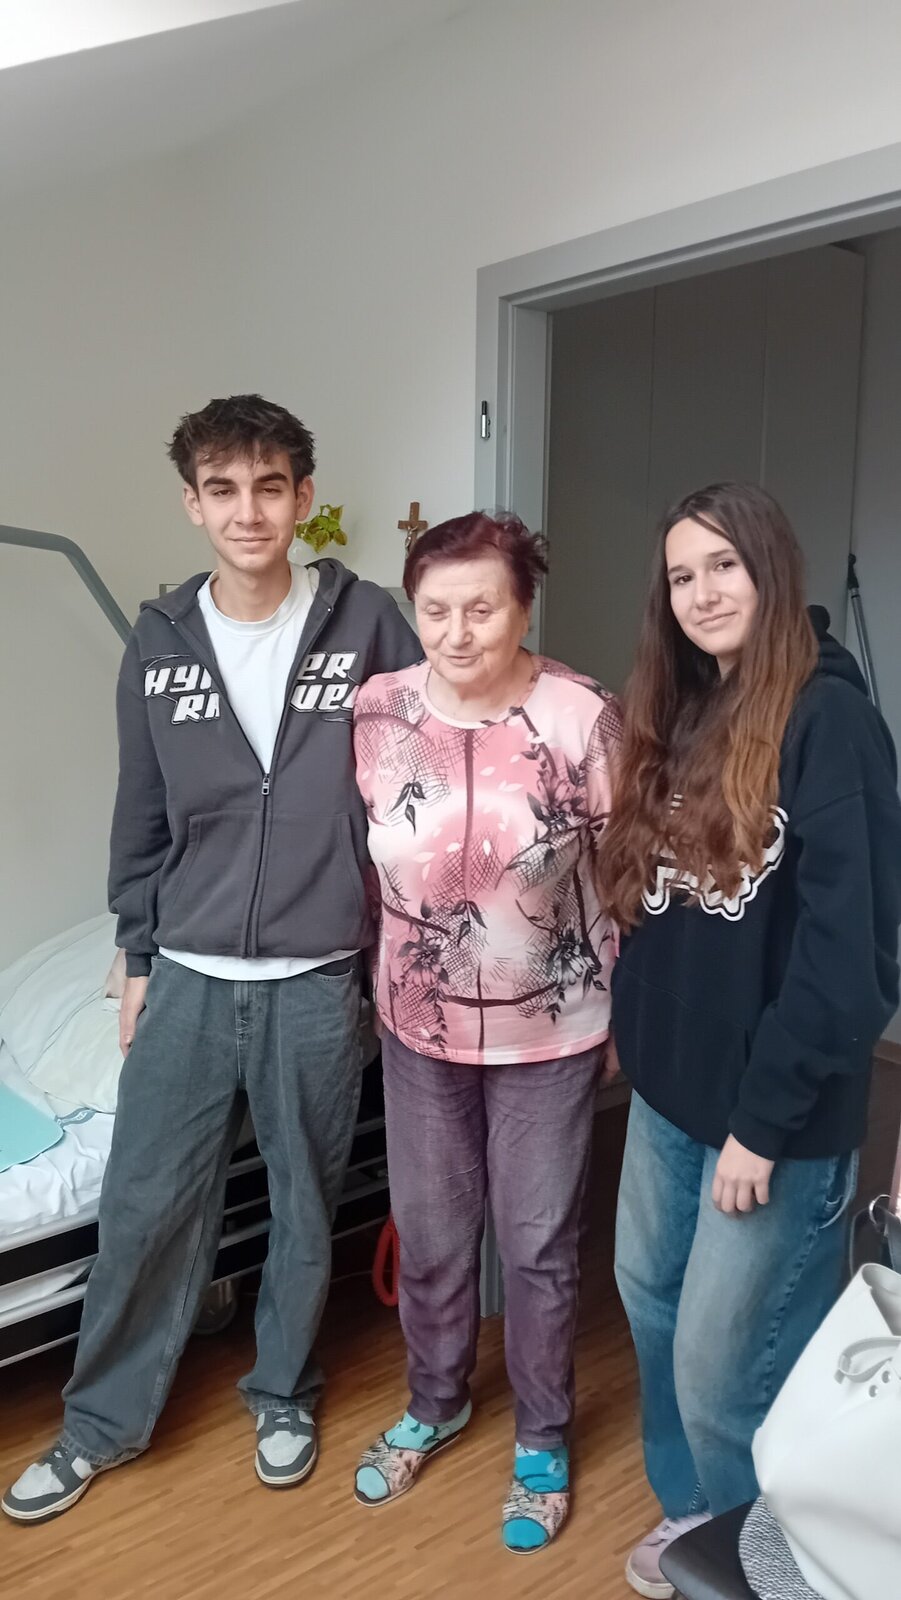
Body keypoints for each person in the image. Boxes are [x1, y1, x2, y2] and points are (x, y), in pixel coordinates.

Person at [2, 393, 422, 1524]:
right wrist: (135, 949)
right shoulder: (160, 639)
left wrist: (394, 943)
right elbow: (140, 811)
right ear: (193, 504)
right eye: (223, 490)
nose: (248, 512)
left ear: (302, 499)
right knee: (143, 1205)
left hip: (318, 978)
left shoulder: (368, 623)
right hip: (188, 973)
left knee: (303, 1204)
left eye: (270, 487)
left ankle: (283, 1391)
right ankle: (99, 1423)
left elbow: (416, 783)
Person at [596, 482, 901, 1599]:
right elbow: (666, 912)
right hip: (669, 1097)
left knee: (726, 1362)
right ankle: (697, 1518)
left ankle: (766, 1560)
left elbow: (848, 962)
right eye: (682, 575)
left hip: (768, 1121)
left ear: (771, 569)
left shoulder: (829, 724)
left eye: (723, 565)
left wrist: (760, 1126)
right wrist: (634, 1034)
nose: (702, 593)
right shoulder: (686, 706)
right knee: (649, 1301)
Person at [351, 510, 623, 1554]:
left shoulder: (580, 715)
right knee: (429, 1233)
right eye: (435, 610)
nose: (456, 632)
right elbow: (364, 858)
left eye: (481, 608)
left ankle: (543, 1435)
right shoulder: (378, 709)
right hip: (417, 1029)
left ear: (522, 608)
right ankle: (437, 1398)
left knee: (538, 1246)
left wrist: (625, 1008)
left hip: (550, 1034)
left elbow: (623, 877)